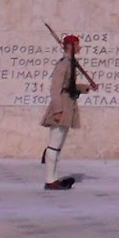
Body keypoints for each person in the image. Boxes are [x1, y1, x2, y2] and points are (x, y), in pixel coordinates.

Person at [40, 34, 96, 190]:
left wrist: (86, 88)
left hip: (68, 105)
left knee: (58, 146)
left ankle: (54, 178)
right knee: (54, 145)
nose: (79, 48)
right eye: (77, 45)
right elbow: (55, 89)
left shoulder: (70, 64)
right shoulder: (63, 65)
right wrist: (57, 111)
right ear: (70, 47)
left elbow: (69, 85)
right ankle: (50, 180)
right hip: (62, 107)